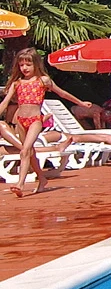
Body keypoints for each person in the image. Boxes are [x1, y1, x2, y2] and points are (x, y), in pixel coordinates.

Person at [0, 48, 92, 196]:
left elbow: (62, 93)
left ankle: (20, 184)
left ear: (36, 64)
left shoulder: (43, 80)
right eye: (21, 65)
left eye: (28, 65)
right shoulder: (17, 83)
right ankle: (42, 179)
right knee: (30, 153)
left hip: (36, 120)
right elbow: (4, 103)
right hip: (20, 121)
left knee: (25, 151)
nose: (24, 68)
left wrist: (80, 103)